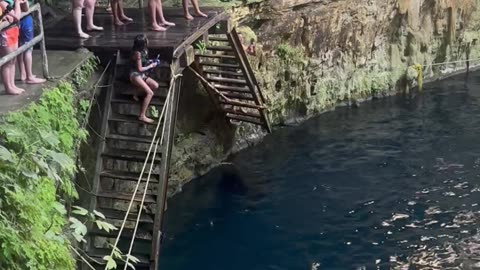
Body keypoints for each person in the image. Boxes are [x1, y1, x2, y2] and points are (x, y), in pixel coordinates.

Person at [129, 34, 160, 123]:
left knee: (155, 85)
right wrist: (150, 66)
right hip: (135, 74)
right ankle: (142, 115)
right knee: (150, 93)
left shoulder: (144, 50)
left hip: (141, 74)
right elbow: (139, 68)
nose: (148, 41)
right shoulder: (137, 53)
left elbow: (143, 61)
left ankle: (137, 93)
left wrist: (150, 61)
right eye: (146, 40)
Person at [17, 0, 45, 84]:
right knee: (28, 48)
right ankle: (29, 76)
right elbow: (25, 8)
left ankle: (23, 73)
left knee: (20, 46)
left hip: (16, 23)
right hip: (25, 19)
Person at [0, 0, 23, 95]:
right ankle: (8, 87)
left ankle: (12, 84)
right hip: (6, 33)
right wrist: (17, 3)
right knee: (7, 61)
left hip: (13, 29)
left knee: (13, 60)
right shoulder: (3, 3)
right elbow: (17, 16)